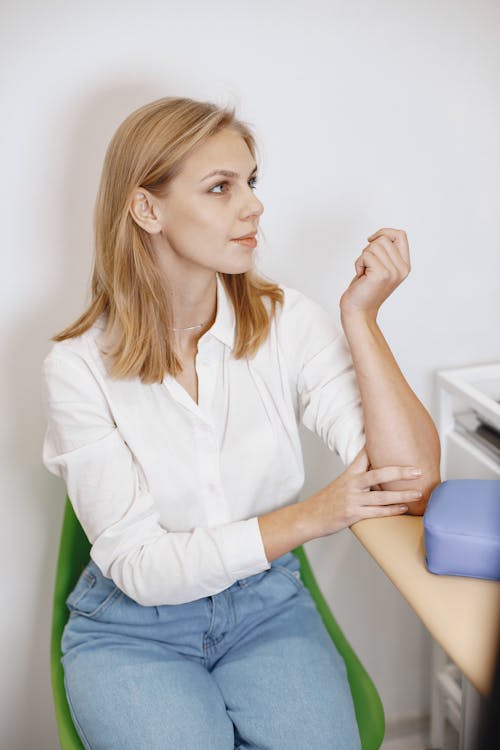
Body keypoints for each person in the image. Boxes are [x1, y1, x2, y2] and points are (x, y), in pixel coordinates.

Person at [41, 96, 440, 750]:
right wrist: (317, 513)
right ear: (147, 209)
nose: (252, 205)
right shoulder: (77, 368)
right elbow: (140, 566)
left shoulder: (288, 320)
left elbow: (411, 484)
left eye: (251, 182)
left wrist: (362, 320)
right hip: (133, 629)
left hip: (267, 611)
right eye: (220, 187)